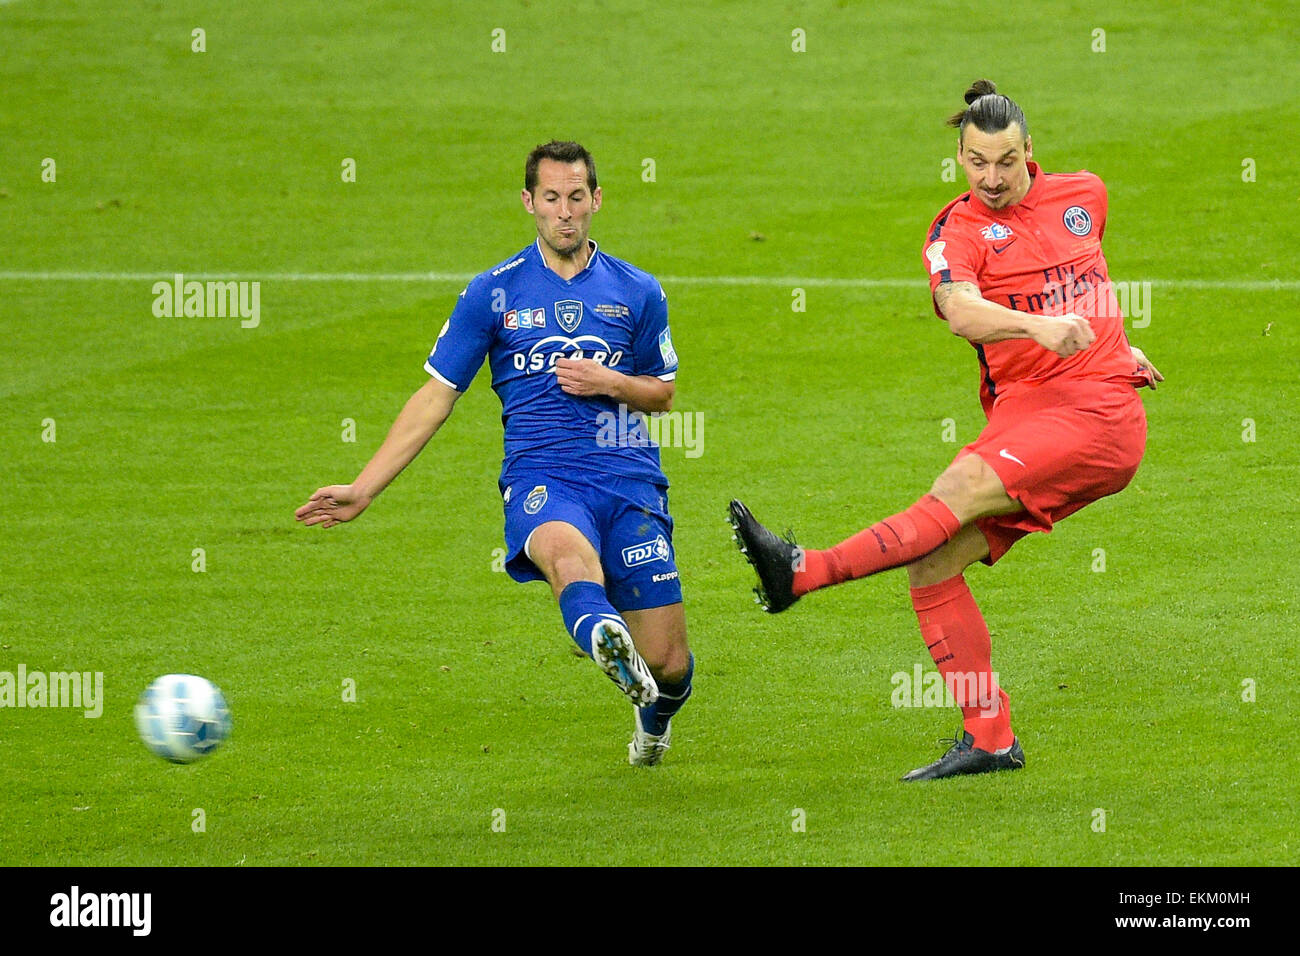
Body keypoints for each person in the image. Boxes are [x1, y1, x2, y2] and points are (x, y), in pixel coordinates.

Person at [729, 80, 1162, 781]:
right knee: (931, 567)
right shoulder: (955, 233)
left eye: (1005, 162)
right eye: (975, 162)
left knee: (958, 486)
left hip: (1096, 417)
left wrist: (1116, 349)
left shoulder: (1086, 195)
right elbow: (962, 312)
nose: (990, 179)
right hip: (1029, 407)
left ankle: (802, 573)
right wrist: (1042, 328)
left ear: (1031, 152)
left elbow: (1089, 285)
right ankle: (990, 739)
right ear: (959, 157)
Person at [296, 140, 693, 767]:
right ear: (529, 202)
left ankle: (653, 714)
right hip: (542, 477)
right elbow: (436, 395)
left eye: (578, 197)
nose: (566, 212)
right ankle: (605, 641)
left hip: (628, 479)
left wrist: (609, 382)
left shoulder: (638, 291)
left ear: (597, 200)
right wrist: (364, 486)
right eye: (552, 199)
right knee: (567, 558)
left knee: (671, 666)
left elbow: (662, 393)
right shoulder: (492, 293)